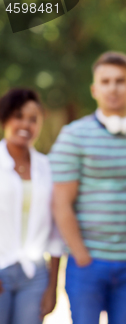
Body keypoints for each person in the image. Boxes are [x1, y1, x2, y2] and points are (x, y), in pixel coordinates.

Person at [49, 51, 126, 324]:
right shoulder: (73, 135)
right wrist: (82, 256)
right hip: (87, 263)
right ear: (94, 89)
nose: (113, 88)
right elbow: (61, 203)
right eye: (106, 81)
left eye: (120, 81)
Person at [0, 88, 63, 324]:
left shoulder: (48, 168)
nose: (25, 124)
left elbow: (56, 230)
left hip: (35, 276)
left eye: (33, 119)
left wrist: (52, 285)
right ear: (5, 118)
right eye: (18, 116)